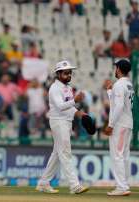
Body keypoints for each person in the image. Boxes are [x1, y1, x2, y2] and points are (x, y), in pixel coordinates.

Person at [36, 60, 89, 194]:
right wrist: (75, 101)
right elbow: (60, 106)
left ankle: (43, 183)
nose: (69, 75)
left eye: (70, 73)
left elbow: (68, 107)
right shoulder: (54, 88)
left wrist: (79, 113)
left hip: (66, 121)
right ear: (58, 73)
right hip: (58, 122)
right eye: (66, 73)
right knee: (65, 152)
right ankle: (74, 185)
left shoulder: (68, 88)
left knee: (57, 154)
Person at [104, 59, 134, 196]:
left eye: (115, 67)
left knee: (117, 155)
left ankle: (122, 187)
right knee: (124, 155)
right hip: (127, 123)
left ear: (118, 69)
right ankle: (124, 184)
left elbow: (119, 106)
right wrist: (110, 93)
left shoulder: (119, 85)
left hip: (119, 125)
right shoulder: (129, 84)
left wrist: (110, 125)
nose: (114, 70)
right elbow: (118, 103)